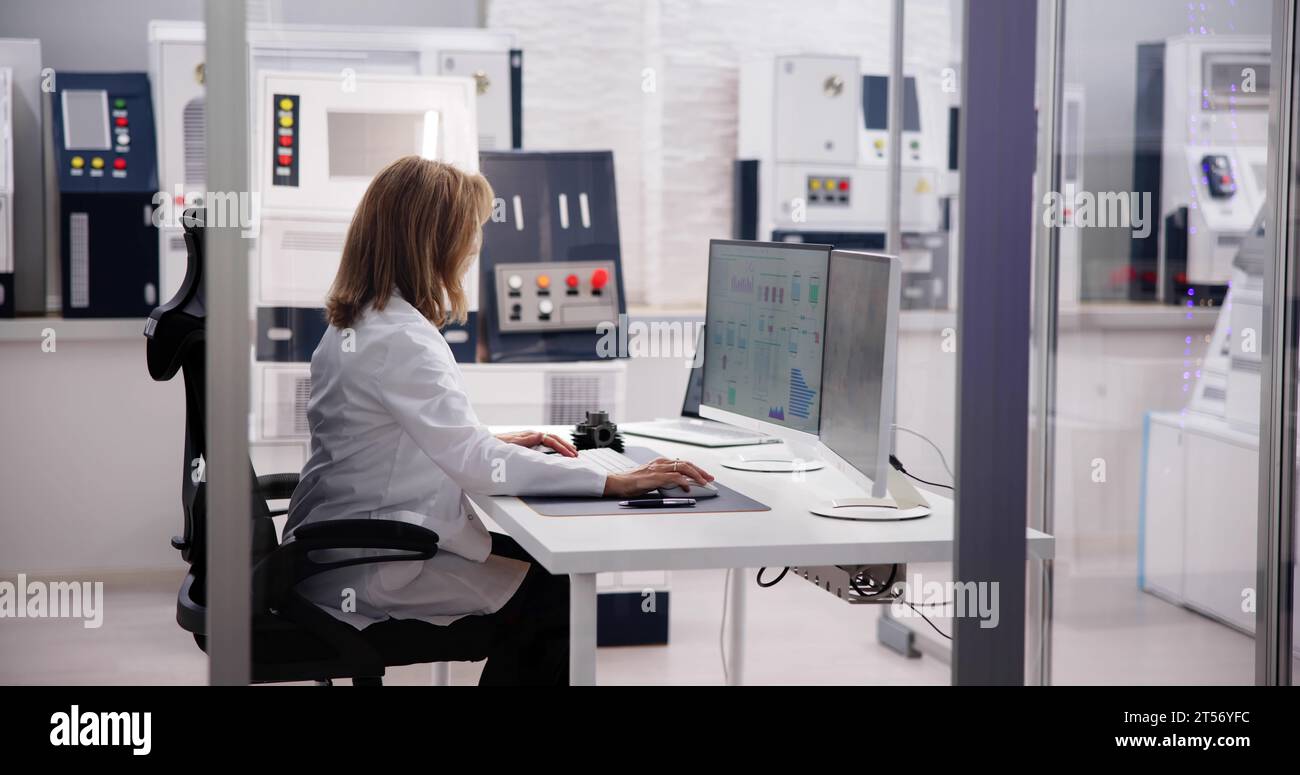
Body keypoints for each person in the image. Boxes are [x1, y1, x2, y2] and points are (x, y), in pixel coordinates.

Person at [284, 156, 713, 685]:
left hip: (336, 550)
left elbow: (393, 439)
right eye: (469, 232)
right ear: (433, 242)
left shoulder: (360, 320)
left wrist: (489, 441)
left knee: (548, 573)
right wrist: (610, 480)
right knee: (558, 595)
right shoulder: (400, 337)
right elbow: (474, 464)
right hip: (376, 563)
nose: (473, 248)